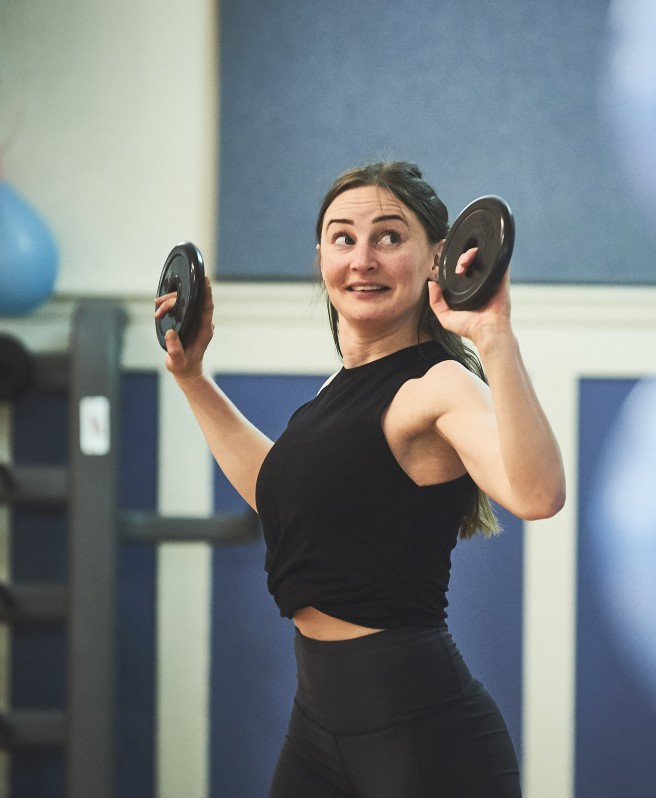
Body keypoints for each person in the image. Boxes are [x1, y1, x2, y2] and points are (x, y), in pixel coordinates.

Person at [155, 161, 565, 797]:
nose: (363, 259)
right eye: (343, 238)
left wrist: (494, 335)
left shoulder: (440, 385)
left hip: (423, 733)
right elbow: (277, 491)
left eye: (389, 237)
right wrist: (191, 379)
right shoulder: (333, 394)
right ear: (321, 257)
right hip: (317, 725)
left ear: (438, 259)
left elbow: (538, 494)